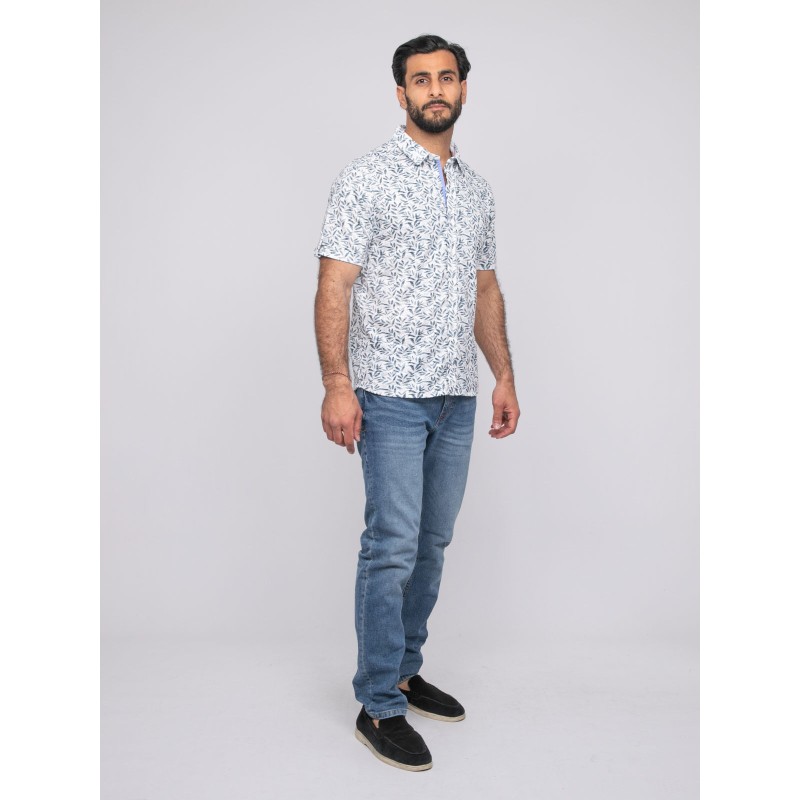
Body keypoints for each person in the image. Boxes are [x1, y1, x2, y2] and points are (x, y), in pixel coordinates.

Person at [313, 33, 519, 771]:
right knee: (392, 545)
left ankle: (403, 669)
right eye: (421, 79)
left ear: (463, 89)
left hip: (455, 395)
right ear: (400, 93)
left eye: (447, 77)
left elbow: (484, 289)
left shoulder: (477, 191)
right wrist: (337, 384)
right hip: (389, 395)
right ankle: (377, 703)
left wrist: (503, 375)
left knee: (431, 544)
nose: (436, 89)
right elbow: (335, 283)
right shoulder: (365, 178)